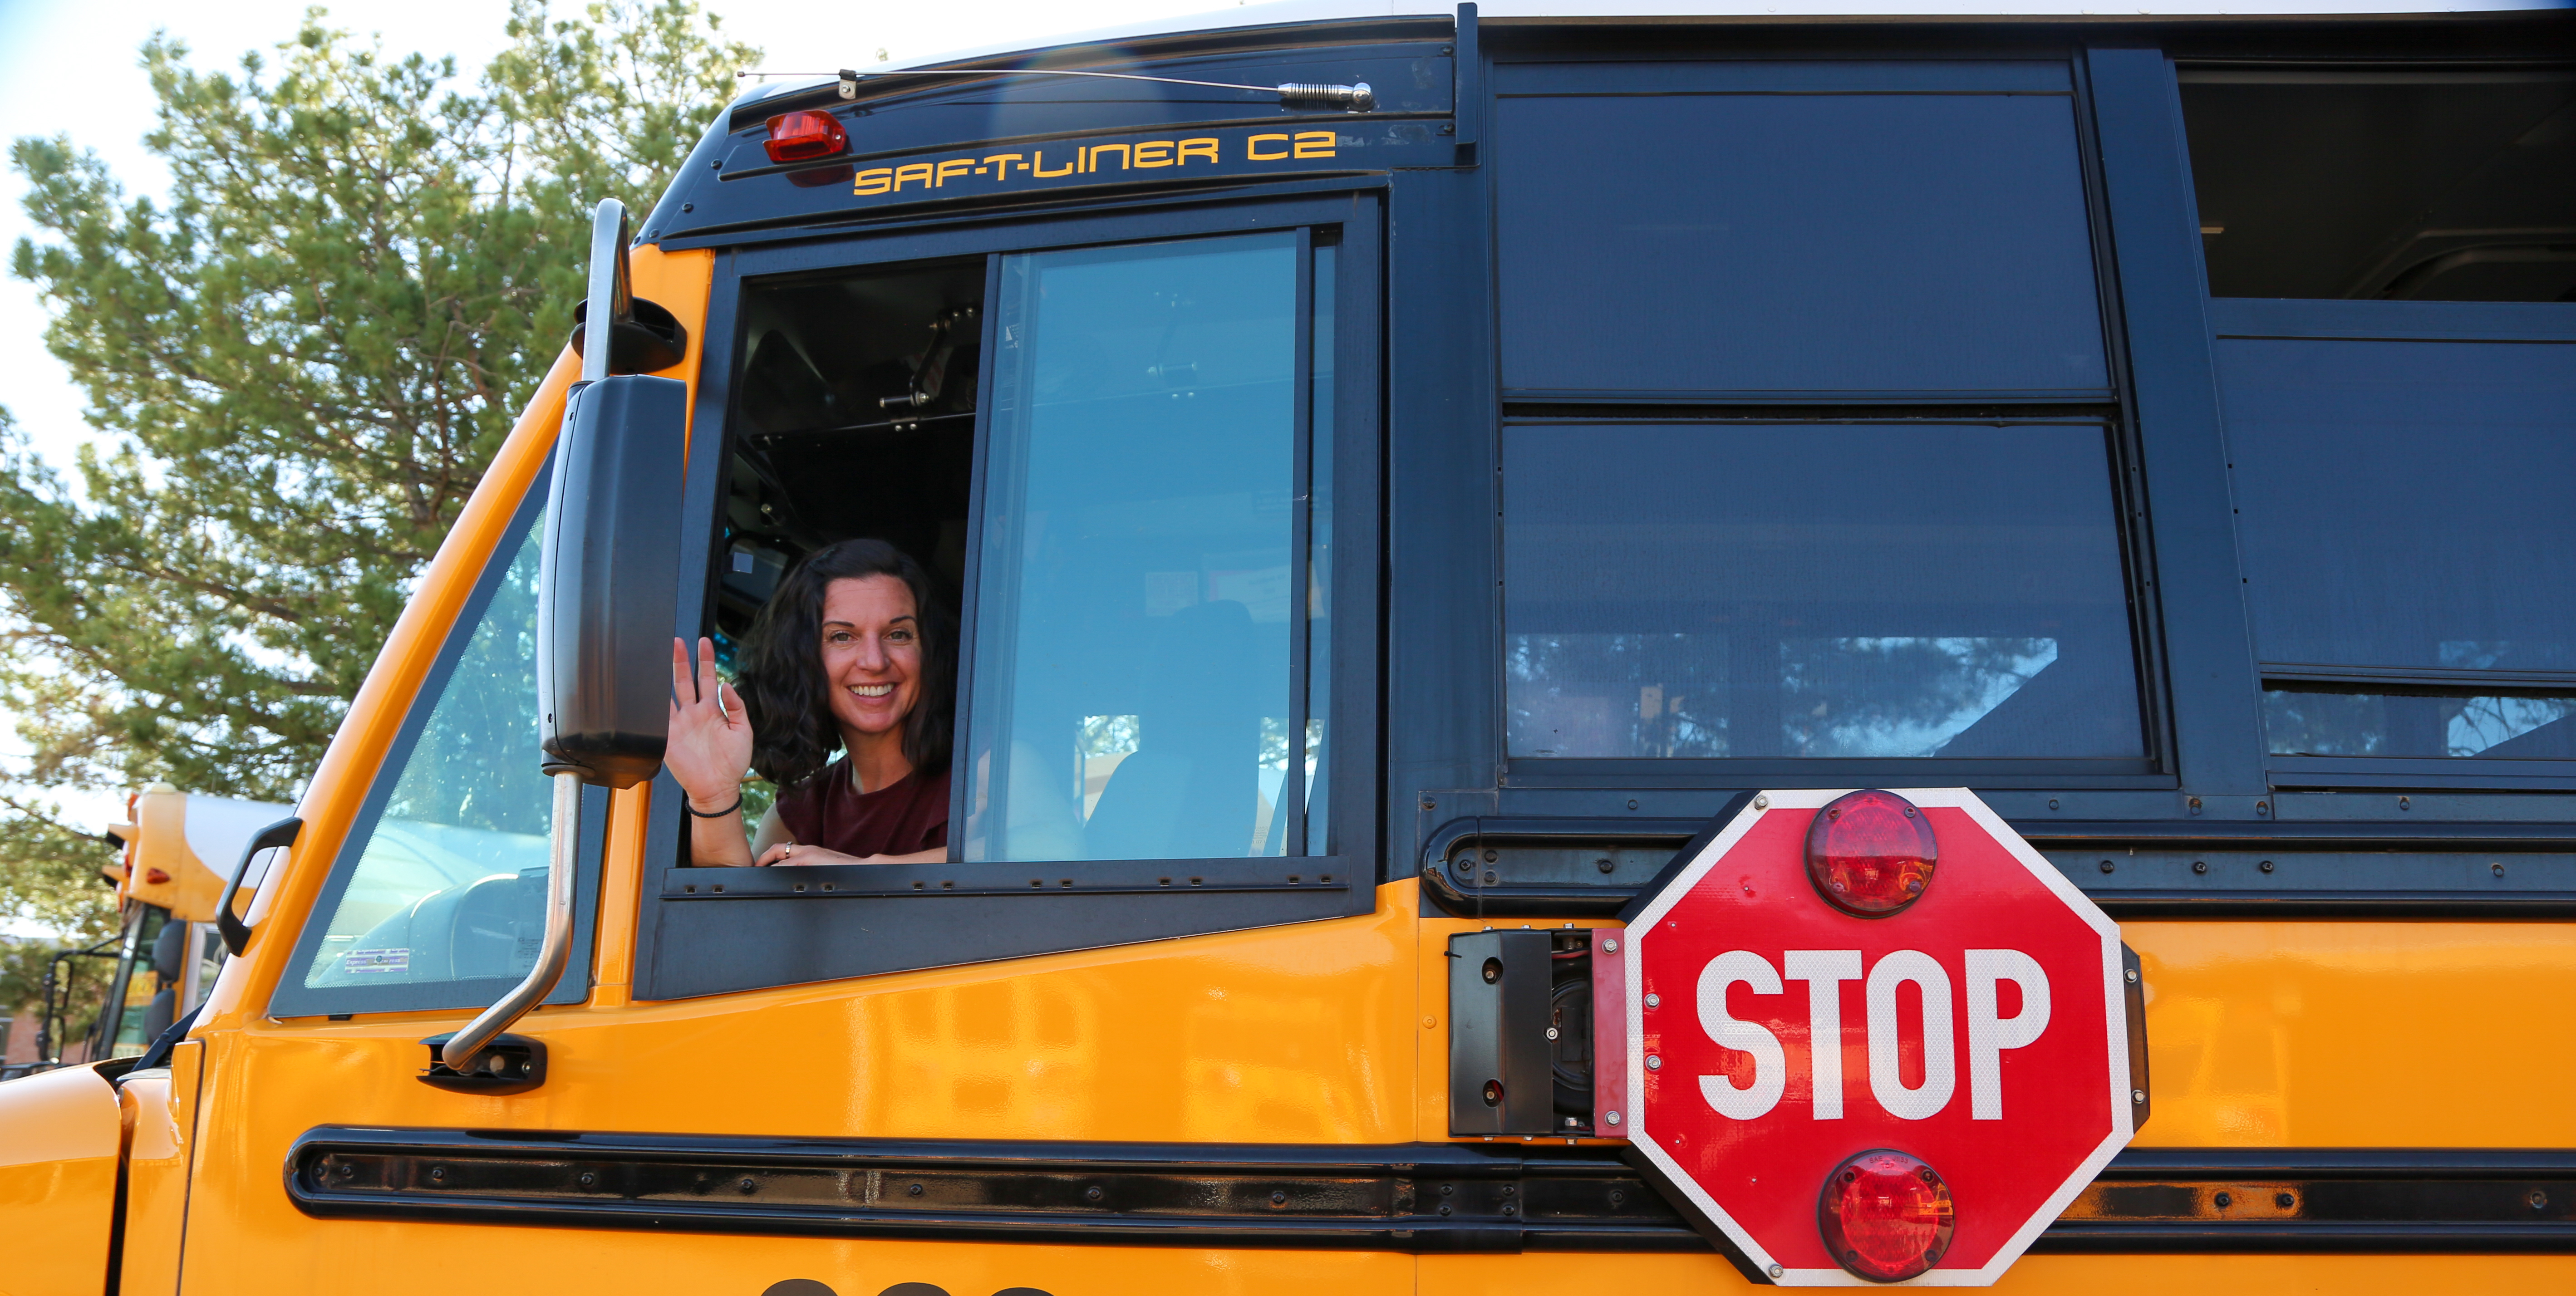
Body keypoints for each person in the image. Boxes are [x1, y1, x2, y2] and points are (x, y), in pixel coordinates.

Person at [666, 539, 955, 866]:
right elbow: (732, 911)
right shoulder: (798, 813)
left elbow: (1013, 860)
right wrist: (712, 796)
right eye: (842, 637)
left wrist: (862, 871)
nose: (875, 661)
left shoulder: (993, 773)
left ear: (929, 651)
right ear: (803, 661)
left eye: (899, 634)